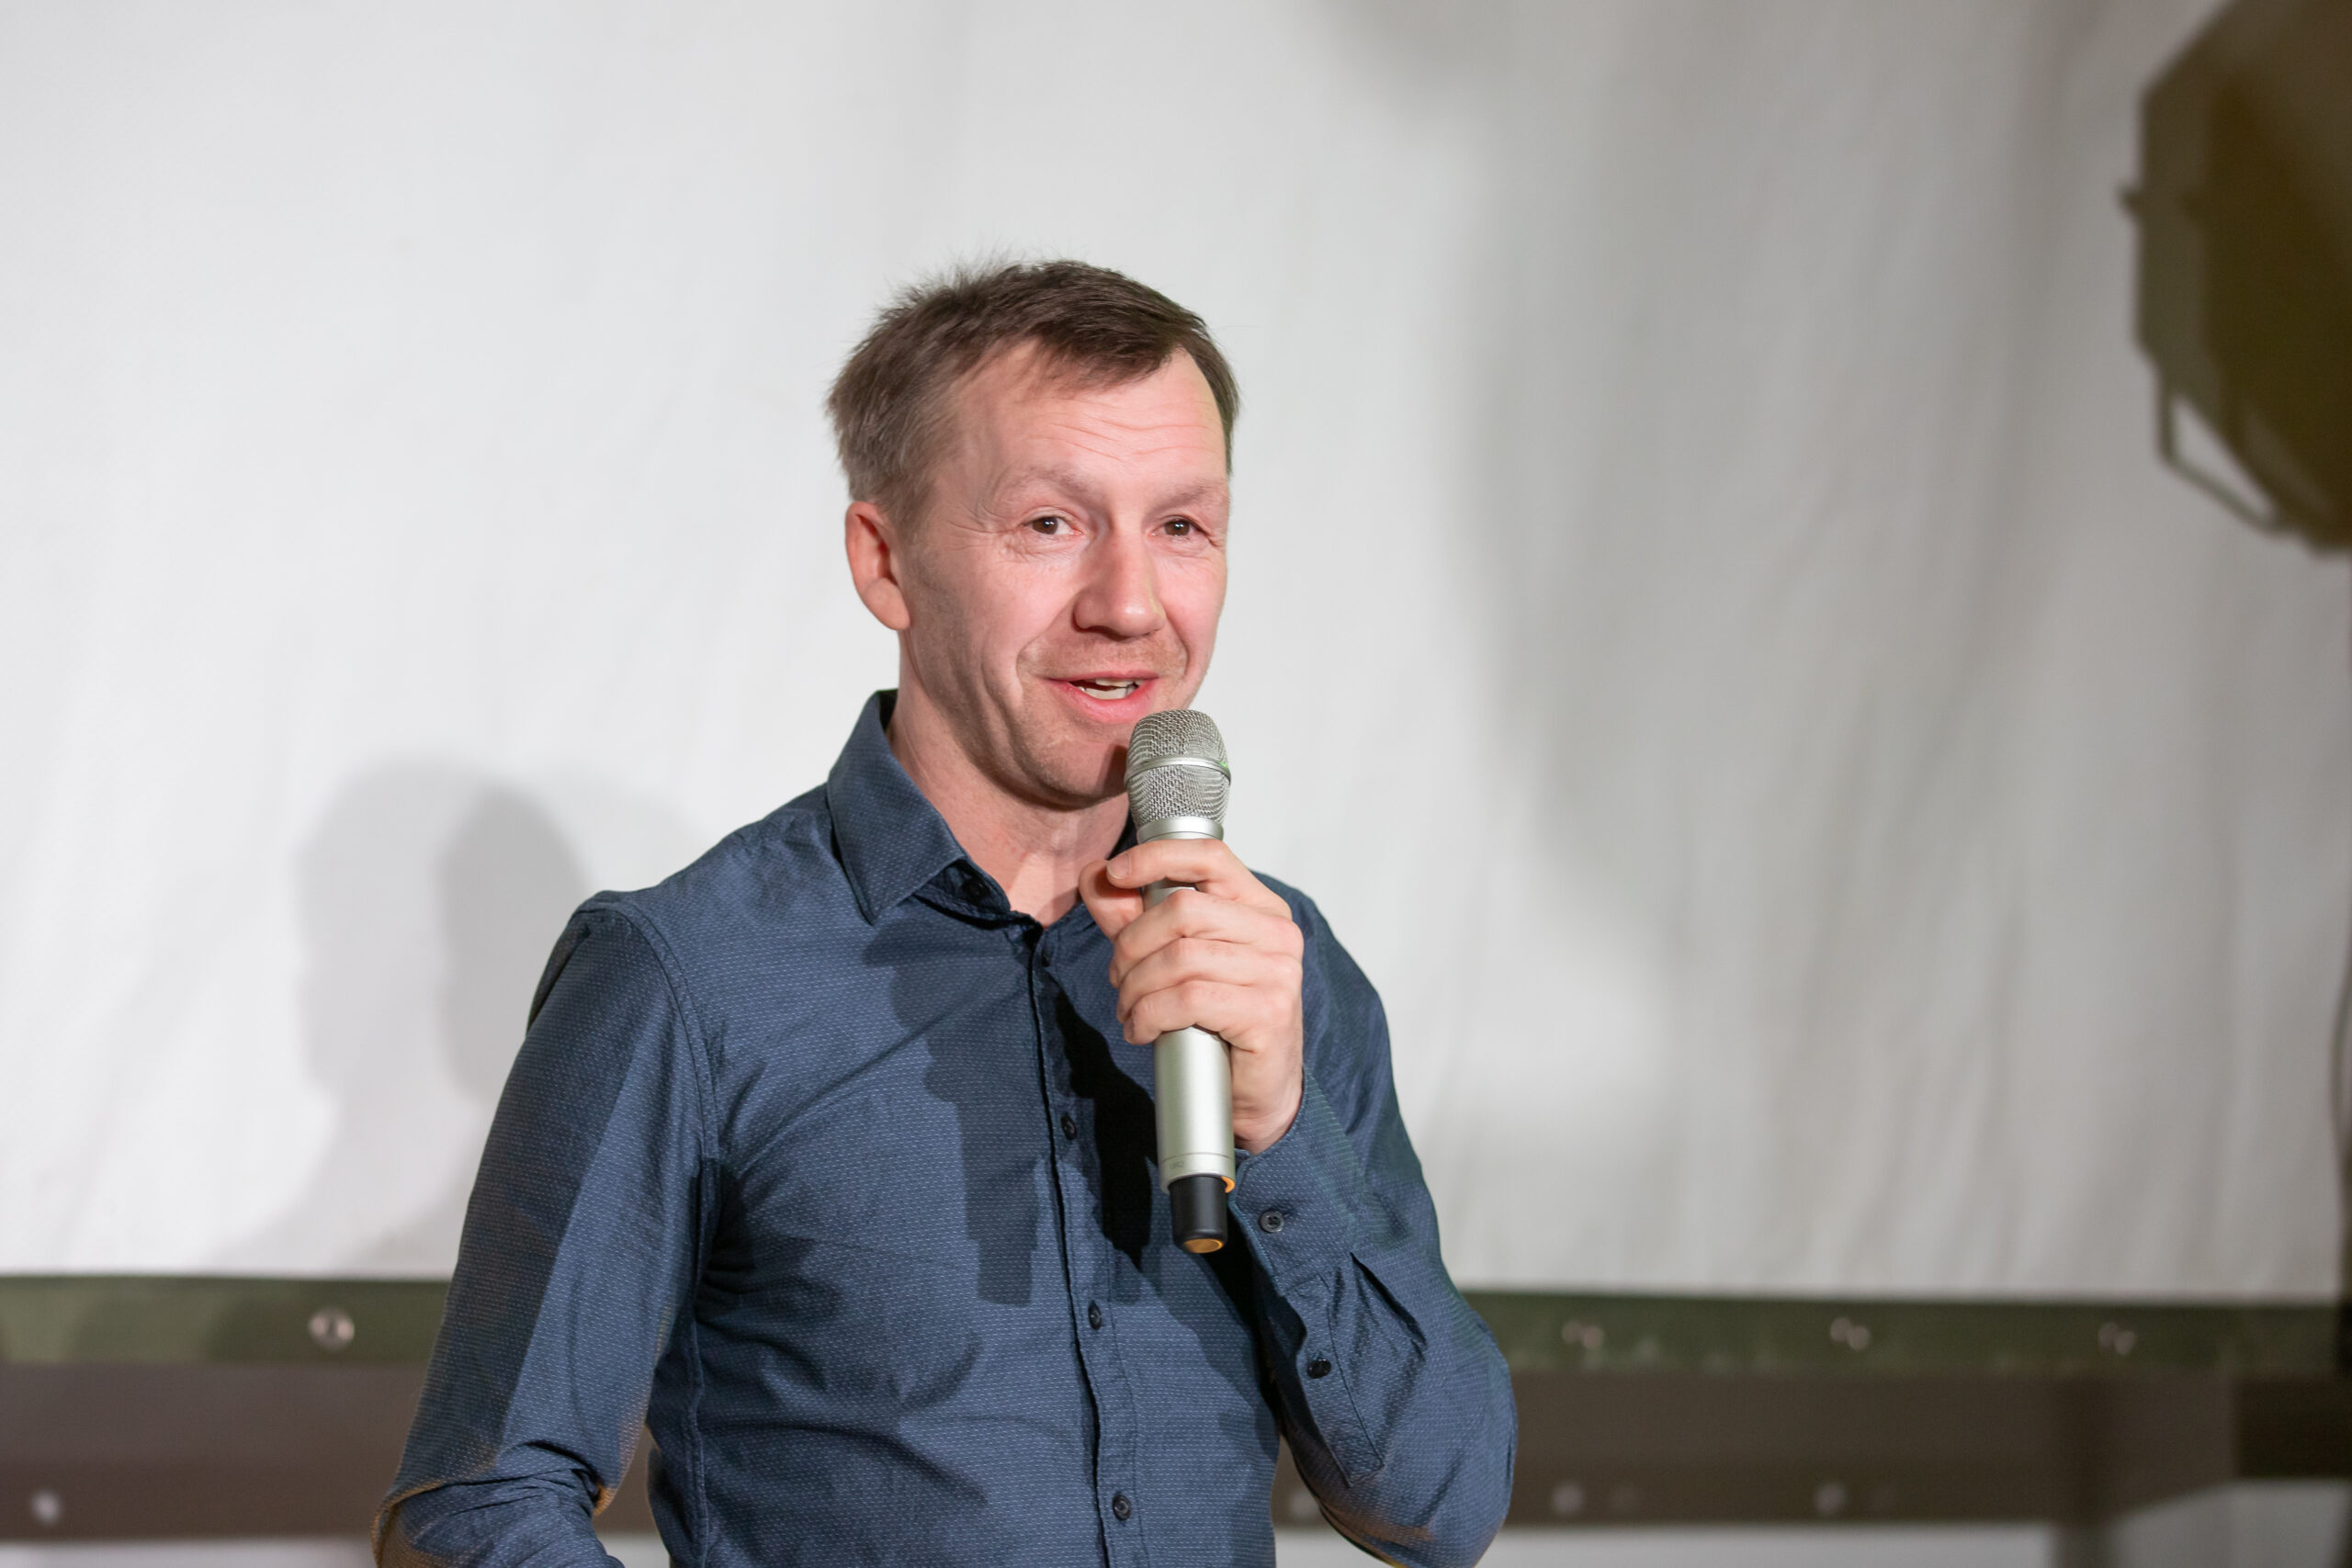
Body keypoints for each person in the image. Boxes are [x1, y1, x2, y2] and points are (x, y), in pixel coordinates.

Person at [376, 260, 1515, 1567]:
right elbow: (479, 1507)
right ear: (887, 561)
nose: (1131, 603)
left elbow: (1440, 1505)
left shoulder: (1273, 970)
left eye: (1182, 527)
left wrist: (1283, 1129)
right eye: (1050, 523)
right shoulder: (688, 975)